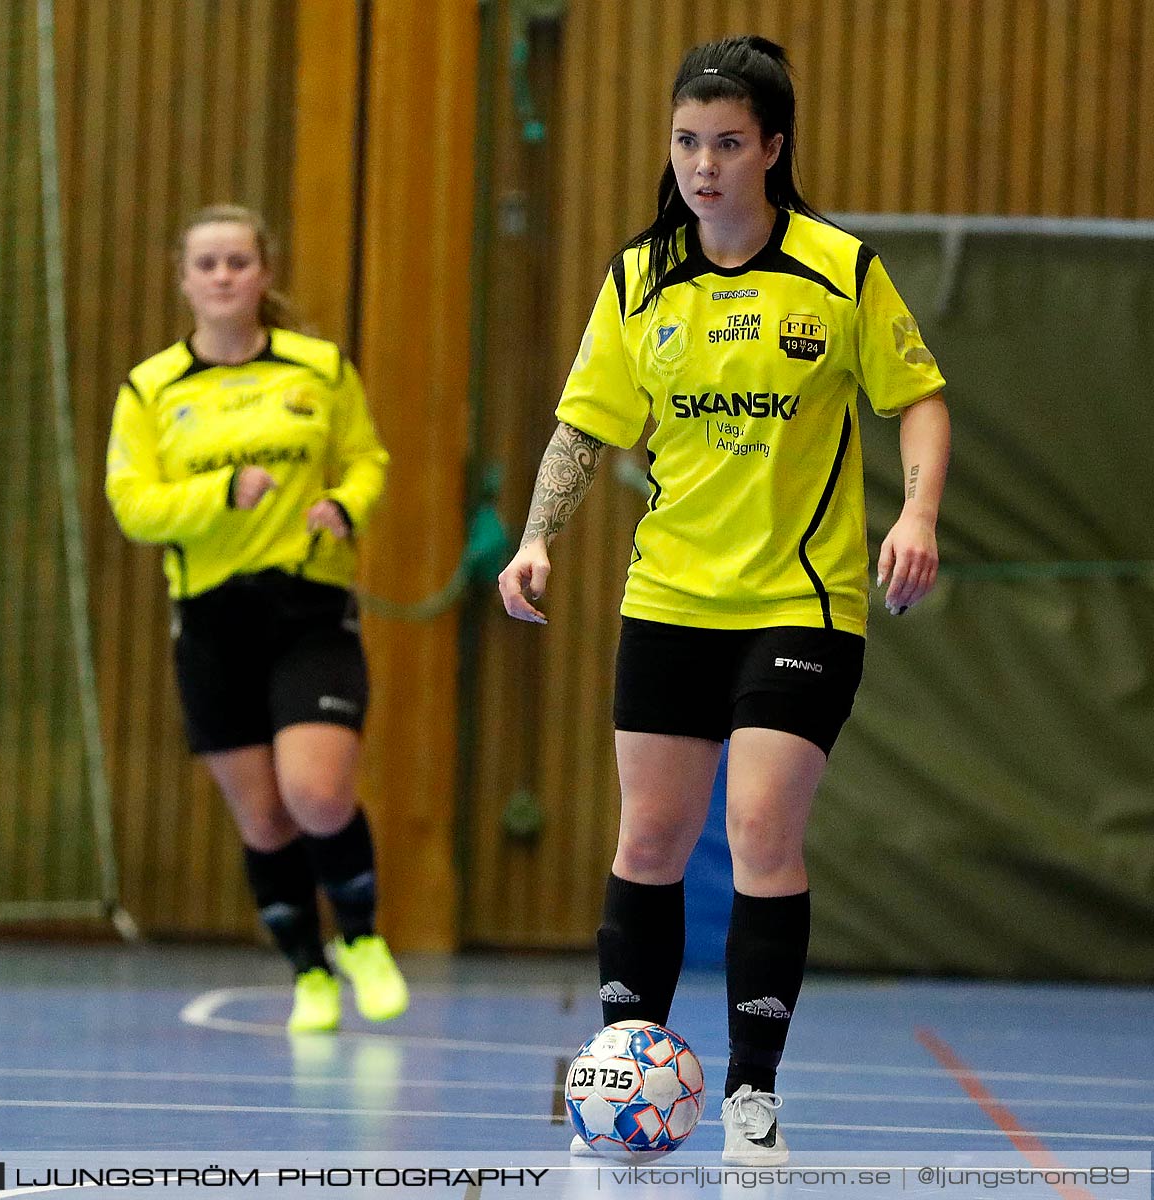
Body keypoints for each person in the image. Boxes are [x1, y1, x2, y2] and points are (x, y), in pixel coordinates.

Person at [499, 37, 950, 1164]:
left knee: (756, 826)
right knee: (648, 838)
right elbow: (584, 428)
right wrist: (535, 538)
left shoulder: (838, 270)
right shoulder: (638, 278)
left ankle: (750, 1092)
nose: (703, 164)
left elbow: (920, 399)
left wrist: (916, 515)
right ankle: (622, 1072)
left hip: (800, 602)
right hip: (669, 598)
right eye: (686, 141)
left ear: (772, 148)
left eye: (728, 143)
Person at [106, 204, 408, 1034]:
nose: (225, 276)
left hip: (307, 612)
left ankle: (362, 939)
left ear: (264, 273)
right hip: (212, 624)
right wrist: (217, 494)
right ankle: (309, 973)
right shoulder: (152, 388)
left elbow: (368, 459)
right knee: (264, 818)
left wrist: (347, 503)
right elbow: (133, 503)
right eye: (208, 264)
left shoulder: (318, 369)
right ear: (185, 280)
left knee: (315, 794)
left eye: (239, 261)